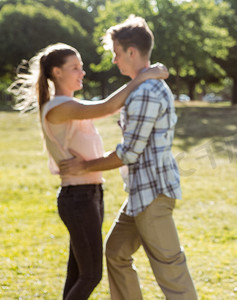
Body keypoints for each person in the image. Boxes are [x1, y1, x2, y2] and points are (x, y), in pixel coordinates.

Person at [8, 43, 168, 299]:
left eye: (81, 67)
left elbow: (111, 107)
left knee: (77, 273)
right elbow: (106, 107)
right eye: (75, 68)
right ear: (57, 72)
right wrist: (144, 75)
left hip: (90, 194)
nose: (82, 73)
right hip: (78, 197)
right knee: (91, 274)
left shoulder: (69, 105)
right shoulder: (59, 107)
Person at [59, 15, 197, 300]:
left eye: (116, 53)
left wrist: (84, 166)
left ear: (131, 52)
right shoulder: (143, 87)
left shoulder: (145, 92)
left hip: (153, 194)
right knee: (116, 251)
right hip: (140, 193)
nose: (113, 60)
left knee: (171, 268)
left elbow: (128, 153)